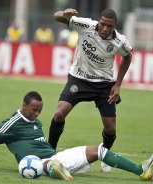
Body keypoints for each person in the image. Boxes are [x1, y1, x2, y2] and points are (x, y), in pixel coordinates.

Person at [0, 91, 153, 181]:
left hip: (57, 157)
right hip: (38, 163)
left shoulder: (35, 121)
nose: (37, 114)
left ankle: (142, 171)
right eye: (34, 109)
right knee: (36, 164)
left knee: (100, 150)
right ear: (24, 105)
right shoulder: (11, 124)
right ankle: (53, 169)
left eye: (40, 110)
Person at [48, 8, 133, 172]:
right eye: (103, 24)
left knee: (111, 128)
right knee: (59, 114)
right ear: (98, 21)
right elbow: (55, 16)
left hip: (104, 85)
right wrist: (64, 14)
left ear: (115, 26)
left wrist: (118, 85)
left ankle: (105, 155)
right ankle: (49, 151)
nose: (105, 29)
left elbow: (127, 57)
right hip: (79, 80)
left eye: (110, 26)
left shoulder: (120, 41)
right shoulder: (85, 25)